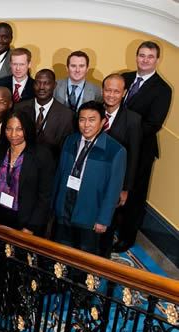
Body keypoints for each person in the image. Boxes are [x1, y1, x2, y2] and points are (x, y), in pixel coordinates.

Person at [114, 41, 172, 253]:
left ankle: (126, 238)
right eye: (142, 55)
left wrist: (123, 133)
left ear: (157, 60)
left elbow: (153, 124)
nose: (145, 59)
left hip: (140, 150)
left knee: (134, 196)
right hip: (115, 146)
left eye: (150, 56)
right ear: (136, 56)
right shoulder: (125, 78)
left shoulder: (163, 89)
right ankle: (110, 227)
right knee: (113, 188)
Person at [52, 101, 126, 255]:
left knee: (83, 259)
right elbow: (59, 174)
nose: (86, 125)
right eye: (82, 119)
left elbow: (113, 190)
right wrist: (53, 204)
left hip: (90, 215)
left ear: (103, 122)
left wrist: (103, 219)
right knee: (61, 254)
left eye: (92, 120)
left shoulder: (115, 150)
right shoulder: (70, 140)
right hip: (64, 209)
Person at [0, 112, 55, 236]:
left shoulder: (41, 155)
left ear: (27, 129)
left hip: (26, 222)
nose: (13, 134)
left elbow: (45, 196)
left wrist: (31, 227)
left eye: (19, 129)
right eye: (9, 129)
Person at [99, 74, 142, 256]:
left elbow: (133, 157)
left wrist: (125, 189)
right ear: (102, 91)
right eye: (108, 90)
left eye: (116, 91)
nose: (111, 95)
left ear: (124, 93)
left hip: (114, 183)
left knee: (108, 224)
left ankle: (102, 259)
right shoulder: (93, 111)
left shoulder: (133, 120)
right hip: (91, 178)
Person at [15, 69, 74, 160]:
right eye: (38, 83)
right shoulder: (19, 108)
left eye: (46, 83)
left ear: (54, 85)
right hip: (21, 164)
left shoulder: (66, 115)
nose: (41, 87)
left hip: (51, 167)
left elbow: (65, 150)